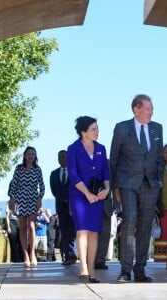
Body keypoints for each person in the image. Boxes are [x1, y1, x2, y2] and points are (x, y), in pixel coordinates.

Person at [110, 94, 164, 283]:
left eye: (152, 109)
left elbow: (159, 158)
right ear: (136, 109)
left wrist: (159, 180)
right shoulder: (122, 128)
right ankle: (125, 270)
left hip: (150, 185)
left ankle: (140, 269)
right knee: (129, 221)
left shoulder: (157, 128)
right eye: (148, 109)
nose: (151, 112)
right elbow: (114, 158)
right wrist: (115, 186)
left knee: (145, 226)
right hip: (127, 183)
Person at [67, 116, 110, 283]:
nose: (97, 132)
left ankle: (91, 268)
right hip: (79, 195)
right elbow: (73, 174)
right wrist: (87, 193)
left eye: (97, 128)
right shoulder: (73, 149)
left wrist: (106, 190)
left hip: (97, 196)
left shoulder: (101, 148)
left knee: (94, 232)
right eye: (93, 129)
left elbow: (105, 172)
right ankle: (83, 266)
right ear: (83, 132)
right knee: (82, 230)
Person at [8, 146, 45, 267]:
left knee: (32, 226)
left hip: (33, 199)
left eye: (33, 154)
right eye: (28, 154)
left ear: (35, 156)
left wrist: (40, 197)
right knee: (22, 228)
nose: (31, 156)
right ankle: (25, 255)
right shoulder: (19, 168)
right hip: (20, 199)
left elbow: (42, 186)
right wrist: (12, 198)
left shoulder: (37, 169)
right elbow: (13, 184)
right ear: (25, 155)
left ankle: (32, 253)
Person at [50, 150, 77, 265]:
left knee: (72, 230)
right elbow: (54, 190)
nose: (62, 159)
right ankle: (68, 256)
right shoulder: (54, 174)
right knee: (64, 231)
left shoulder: (74, 172)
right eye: (60, 157)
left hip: (73, 206)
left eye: (64, 157)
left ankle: (73, 254)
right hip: (61, 206)